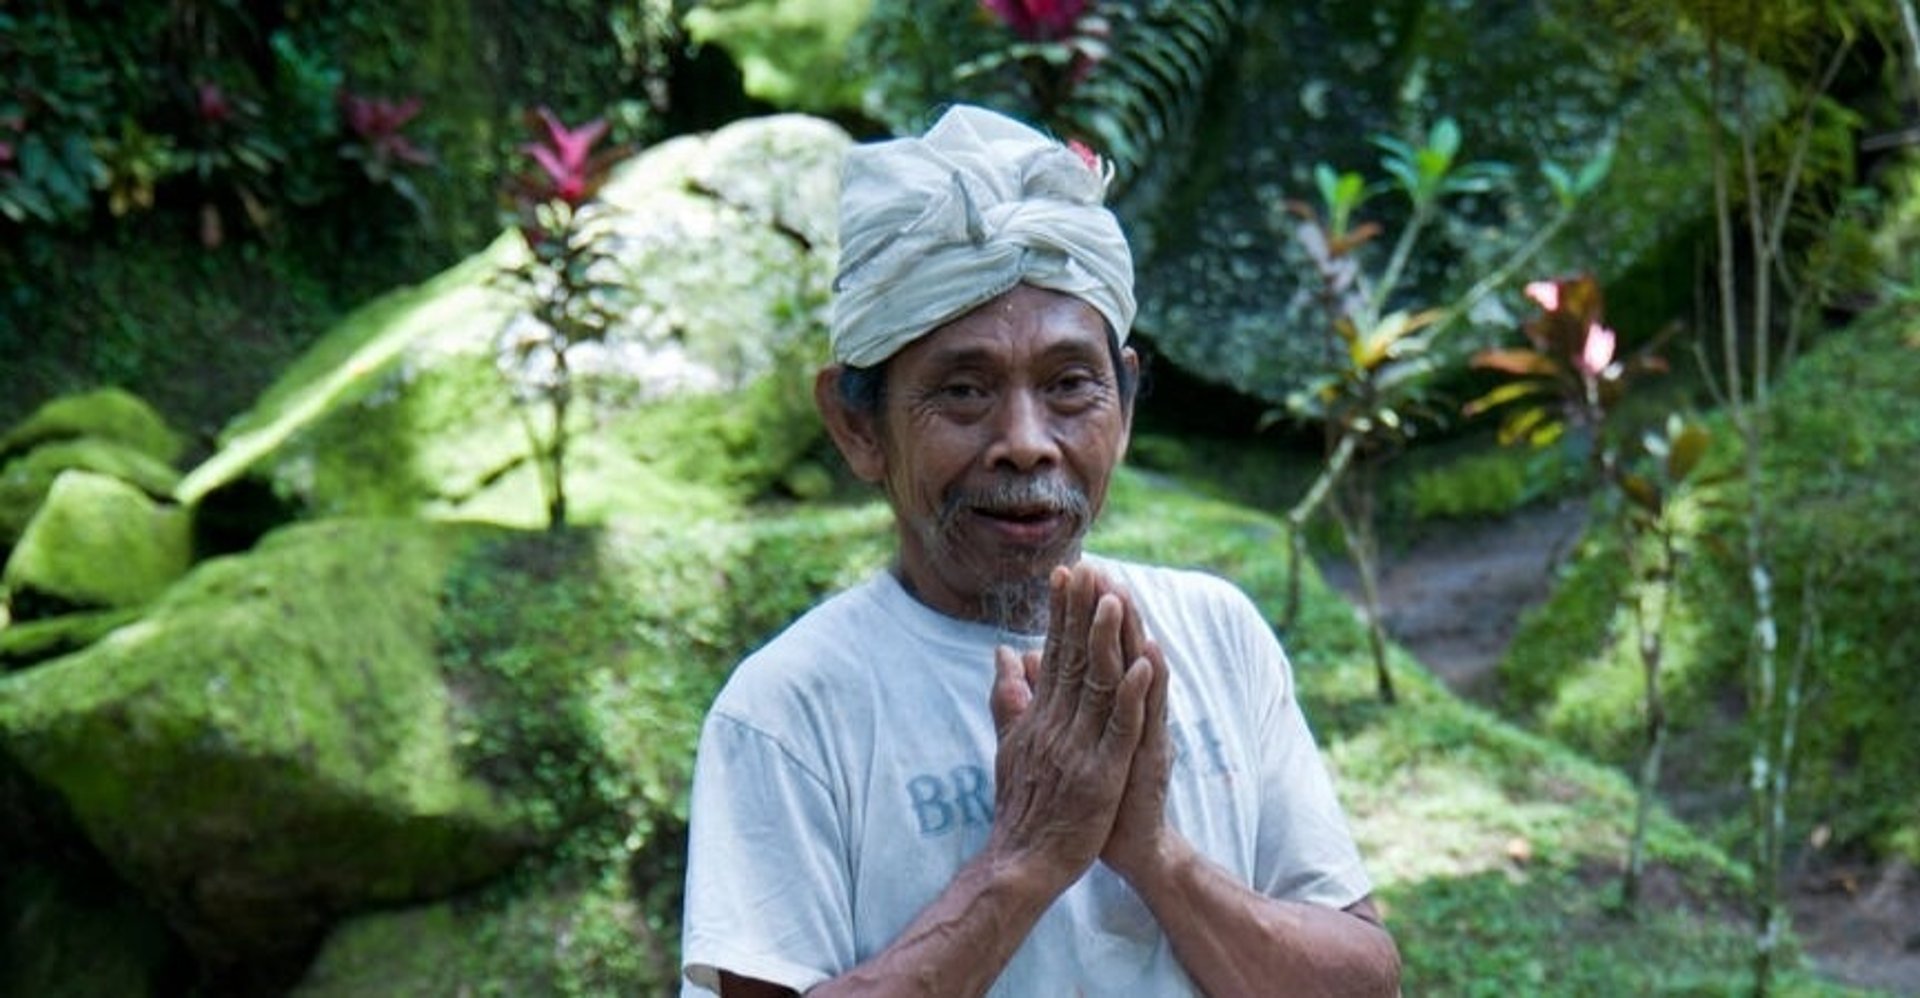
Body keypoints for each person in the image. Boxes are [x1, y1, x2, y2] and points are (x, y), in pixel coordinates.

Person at [679, 104, 1400, 997]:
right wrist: (1022, 862)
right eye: (964, 390)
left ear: (1125, 404)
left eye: (1069, 385)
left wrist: (1158, 855)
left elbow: (1365, 980)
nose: (1026, 440)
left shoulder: (1216, 633)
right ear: (857, 427)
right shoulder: (792, 712)